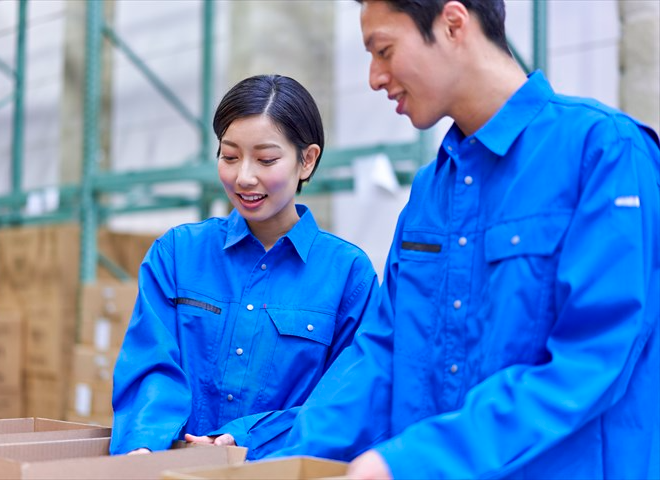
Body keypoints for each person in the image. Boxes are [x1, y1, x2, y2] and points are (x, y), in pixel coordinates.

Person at [271, 1, 660, 478]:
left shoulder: (604, 153)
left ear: (453, 23)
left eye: (385, 50)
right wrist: (277, 464)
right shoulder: (430, 193)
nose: (375, 77)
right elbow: (379, 358)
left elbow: (592, 358)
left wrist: (418, 459)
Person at [109, 74, 380, 457]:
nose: (244, 177)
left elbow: (348, 401)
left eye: (266, 159)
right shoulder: (177, 253)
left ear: (307, 160)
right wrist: (143, 447)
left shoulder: (348, 275)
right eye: (229, 156)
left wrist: (249, 438)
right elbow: (150, 365)